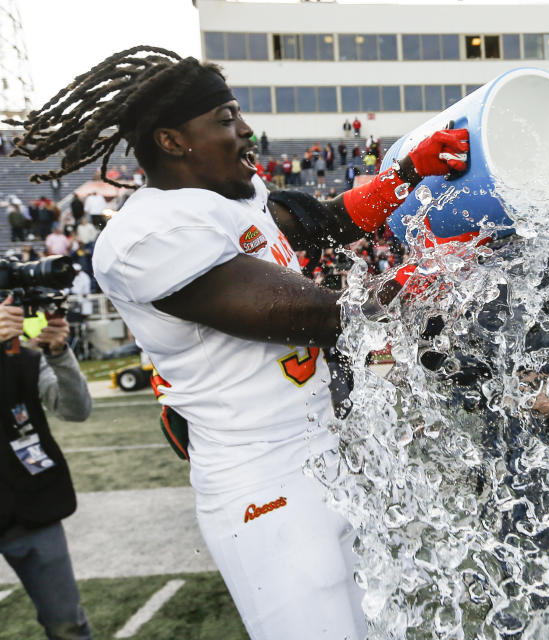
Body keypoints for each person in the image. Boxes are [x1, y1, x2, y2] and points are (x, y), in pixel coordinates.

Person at [5, 46, 469, 640]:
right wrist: (420, 288)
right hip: (261, 477)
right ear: (173, 141)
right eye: (225, 118)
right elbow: (309, 313)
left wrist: (404, 176)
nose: (246, 129)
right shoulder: (145, 235)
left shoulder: (232, 198)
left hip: (323, 450)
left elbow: (322, 218)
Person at [0, 295, 93, 640]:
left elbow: (76, 410)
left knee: (67, 623)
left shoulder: (23, 358)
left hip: (29, 506)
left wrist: (58, 353)